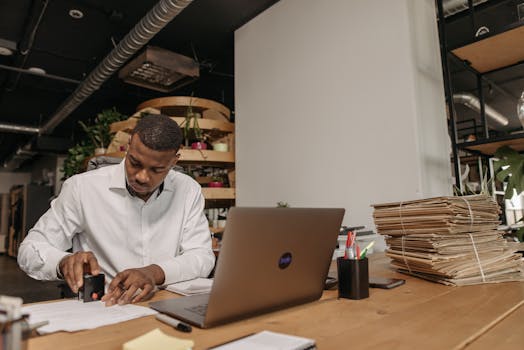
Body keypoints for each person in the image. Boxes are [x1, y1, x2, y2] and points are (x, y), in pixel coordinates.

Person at [18, 114, 215, 306]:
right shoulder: (82, 188)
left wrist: (153, 273)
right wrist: (62, 262)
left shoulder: (188, 190)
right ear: (129, 147)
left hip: (164, 304)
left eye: (157, 169)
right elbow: (30, 249)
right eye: (135, 163)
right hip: (105, 306)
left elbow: (202, 256)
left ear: (174, 161)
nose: (142, 177)